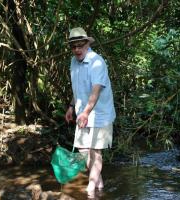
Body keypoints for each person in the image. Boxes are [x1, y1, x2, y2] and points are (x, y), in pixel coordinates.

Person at [65, 27, 116, 199]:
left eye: (80, 45)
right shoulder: (73, 62)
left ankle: (90, 189)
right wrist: (71, 107)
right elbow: (78, 88)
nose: (77, 50)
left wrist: (86, 112)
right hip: (83, 113)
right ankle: (99, 185)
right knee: (82, 149)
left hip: (100, 114)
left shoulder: (97, 62)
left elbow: (96, 90)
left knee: (96, 152)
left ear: (87, 44)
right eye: (74, 47)